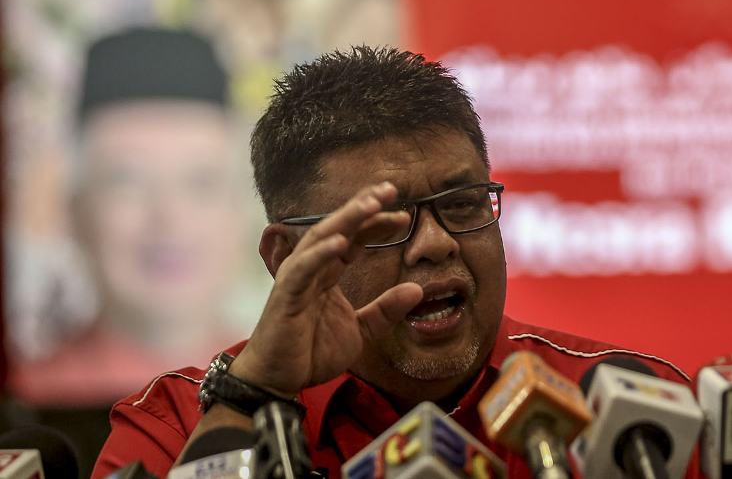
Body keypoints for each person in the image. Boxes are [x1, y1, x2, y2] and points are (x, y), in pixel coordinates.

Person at [91, 45, 690, 478]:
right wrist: (249, 396)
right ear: (287, 256)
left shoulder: (627, 403)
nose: (435, 243)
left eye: (460, 204)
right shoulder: (172, 427)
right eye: (382, 222)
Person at [9, 27, 248, 405]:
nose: (171, 217)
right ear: (76, 214)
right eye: (128, 181)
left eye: (201, 182)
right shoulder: (22, 405)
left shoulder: (307, 398)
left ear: (238, 210)